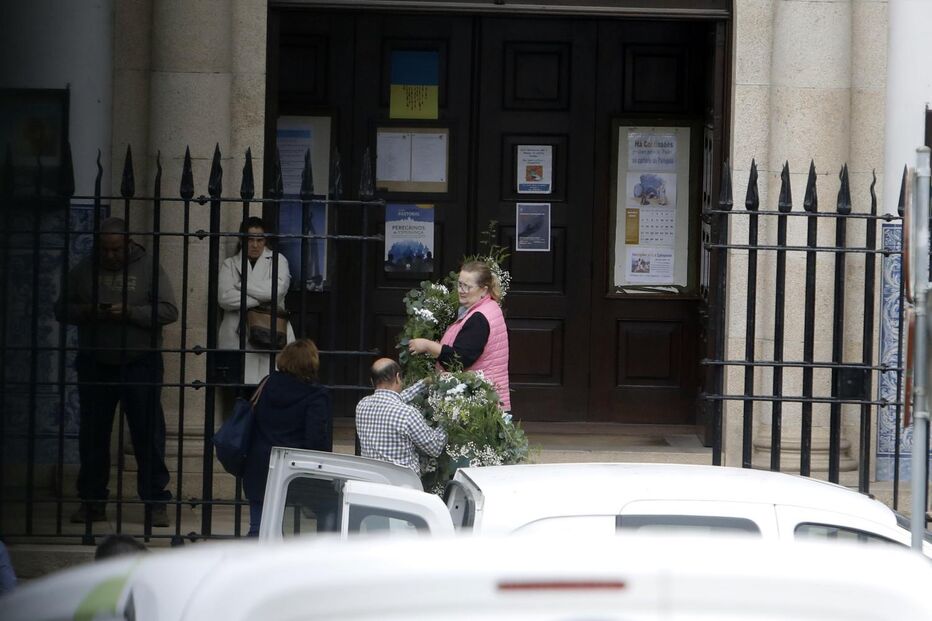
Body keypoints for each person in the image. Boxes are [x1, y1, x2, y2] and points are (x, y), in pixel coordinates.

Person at [55, 217, 177, 527]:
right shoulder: (85, 268)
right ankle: (92, 501)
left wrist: (131, 312)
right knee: (94, 435)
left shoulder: (148, 267)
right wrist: (88, 310)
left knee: (147, 433)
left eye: (116, 250)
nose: (110, 256)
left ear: (129, 244)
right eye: (105, 250)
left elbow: (168, 310)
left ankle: (154, 501)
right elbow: (60, 308)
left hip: (140, 361)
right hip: (96, 361)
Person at [242, 339, 332, 536]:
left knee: (260, 527)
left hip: (260, 464)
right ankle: (324, 555)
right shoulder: (316, 394)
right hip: (296, 468)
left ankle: (256, 562)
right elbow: (315, 439)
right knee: (330, 509)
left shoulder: (266, 384)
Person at [407, 260, 511, 411]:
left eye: (467, 286)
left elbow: (460, 360)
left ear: (484, 290)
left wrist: (428, 346)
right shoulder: (487, 308)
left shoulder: (480, 318)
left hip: (479, 403)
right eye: (460, 284)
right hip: (484, 399)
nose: (461, 290)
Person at [218, 217, 295, 387]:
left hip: (270, 333)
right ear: (241, 240)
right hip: (238, 336)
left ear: (265, 240)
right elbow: (224, 298)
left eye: (259, 240)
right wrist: (262, 297)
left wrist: (241, 287)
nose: (255, 245)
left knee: (269, 388)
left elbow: (277, 290)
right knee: (240, 392)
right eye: (250, 239)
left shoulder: (278, 260)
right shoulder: (229, 264)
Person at [355, 358, 446, 475]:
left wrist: (423, 384)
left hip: (373, 480)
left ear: (372, 382)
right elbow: (435, 447)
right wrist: (447, 417)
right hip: (404, 485)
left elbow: (392, 399)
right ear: (398, 377)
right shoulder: (407, 414)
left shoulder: (362, 405)